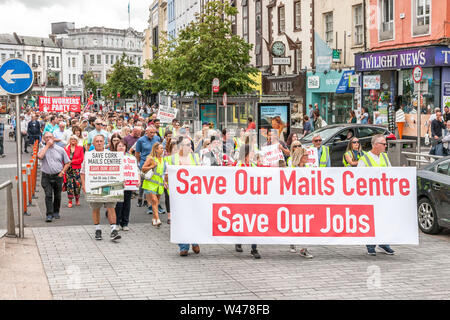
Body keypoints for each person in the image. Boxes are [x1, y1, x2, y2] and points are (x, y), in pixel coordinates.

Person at [358, 134, 395, 256]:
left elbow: (390, 172)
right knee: (371, 220)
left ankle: (384, 243)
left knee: (384, 219)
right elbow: (359, 178)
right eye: (383, 144)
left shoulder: (384, 157)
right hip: (370, 195)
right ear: (375, 145)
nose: (385, 146)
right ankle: (371, 245)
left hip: (383, 194)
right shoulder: (365, 159)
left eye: (385, 144)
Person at [80, 135, 121, 242]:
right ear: (93, 143)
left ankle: (113, 230)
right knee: (96, 208)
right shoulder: (89, 156)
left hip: (109, 186)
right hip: (94, 186)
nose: (99, 143)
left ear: (104, 143)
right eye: (96, 141)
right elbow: (83, 173)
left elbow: (117, 170)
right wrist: (84, 185)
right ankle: (97, 229)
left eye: (101, 141)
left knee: (111, 207)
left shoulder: (111, 155)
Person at [171, 137, 201, 256]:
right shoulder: (174, 158)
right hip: (179, 193)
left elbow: (201, 172)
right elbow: (168, 173)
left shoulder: (195, 157)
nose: (188, 146)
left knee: (194, 217)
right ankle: (183, 246)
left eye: (189, 144)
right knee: (181, 218)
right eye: (185, 144)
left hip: (193, 192)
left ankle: (194, 241)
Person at [286, 142, 314, 258]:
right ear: (300, 157)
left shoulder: (309, 169)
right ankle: (292, 241)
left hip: (305, 201)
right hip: (294, 201)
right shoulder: (292, 169)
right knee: (295, 223)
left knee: (306, 224)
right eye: (306, 155)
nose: (308, 157)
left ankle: (304, 248)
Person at [234, 144, 261, 259]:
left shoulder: (254, 165)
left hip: (253, 199)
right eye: (252, 153)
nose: (254, 154)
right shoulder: (237, 166)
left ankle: (254, 248)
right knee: (242, 221)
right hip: (241, 199)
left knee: (254, 223)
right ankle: (238, 240)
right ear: (245, 155)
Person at [38, 132, 71, 222]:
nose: (48, 139)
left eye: (50, 137)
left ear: (54, 138)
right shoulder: (42, 148)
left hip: (58, 175)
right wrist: (47, 146)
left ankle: (56, 211)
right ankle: (49, 214)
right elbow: (40, 156)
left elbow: (68, 162)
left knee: (57, 195)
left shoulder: (60, 149)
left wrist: (62, 172)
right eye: (46, 137)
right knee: (48, 195)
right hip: (46, 176)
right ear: (44, 139)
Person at [135, 126, 161, 207]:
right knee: (143, 181)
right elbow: (137, 153)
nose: (152, 134)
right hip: (144, 162)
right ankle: (140, 198)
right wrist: (140, 162)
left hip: (154, 163)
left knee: (151, 181)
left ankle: (147, 200)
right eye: (151, 133)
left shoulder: (157, 138)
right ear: (146, 132)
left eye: (154, 132)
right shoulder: (141, 140)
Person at [142, 143, 167, 227]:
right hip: (150, 182)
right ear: (156, 150)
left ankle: (154, 219)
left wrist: (165, 182)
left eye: (162, 148)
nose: (162, 149)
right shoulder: (151, 158)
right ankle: (158, 219)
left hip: (159, 183)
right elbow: (143, 168)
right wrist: (152, 166)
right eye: (160, 148)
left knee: (156, 202)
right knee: (154, 200)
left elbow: (163, 173)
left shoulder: (163, 159)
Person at [114, 140, 137, 231]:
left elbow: (135, 170)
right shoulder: (113, 157)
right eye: (119, 146)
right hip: (117, 184)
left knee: (127, 204)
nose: (121, 147)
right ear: (116, 147)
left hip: (128, 184)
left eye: (123, 146)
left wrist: (136, 180)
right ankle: (117, 223)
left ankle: (125, 223)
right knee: (118, 204)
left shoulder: (131, 157)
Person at [64, 136, 84, 208]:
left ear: (77, 141)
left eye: (74, 139)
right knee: (69, 185)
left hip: (77, 170)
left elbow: (81, 159)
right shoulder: (65, 148)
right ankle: (70, 201)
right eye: (71, 139)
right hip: (68, 169)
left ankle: (77, 199)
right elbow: (63, 158)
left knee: (77, 185)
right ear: (69, 140)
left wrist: (72, 161)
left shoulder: (80, 148)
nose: (73, 140)